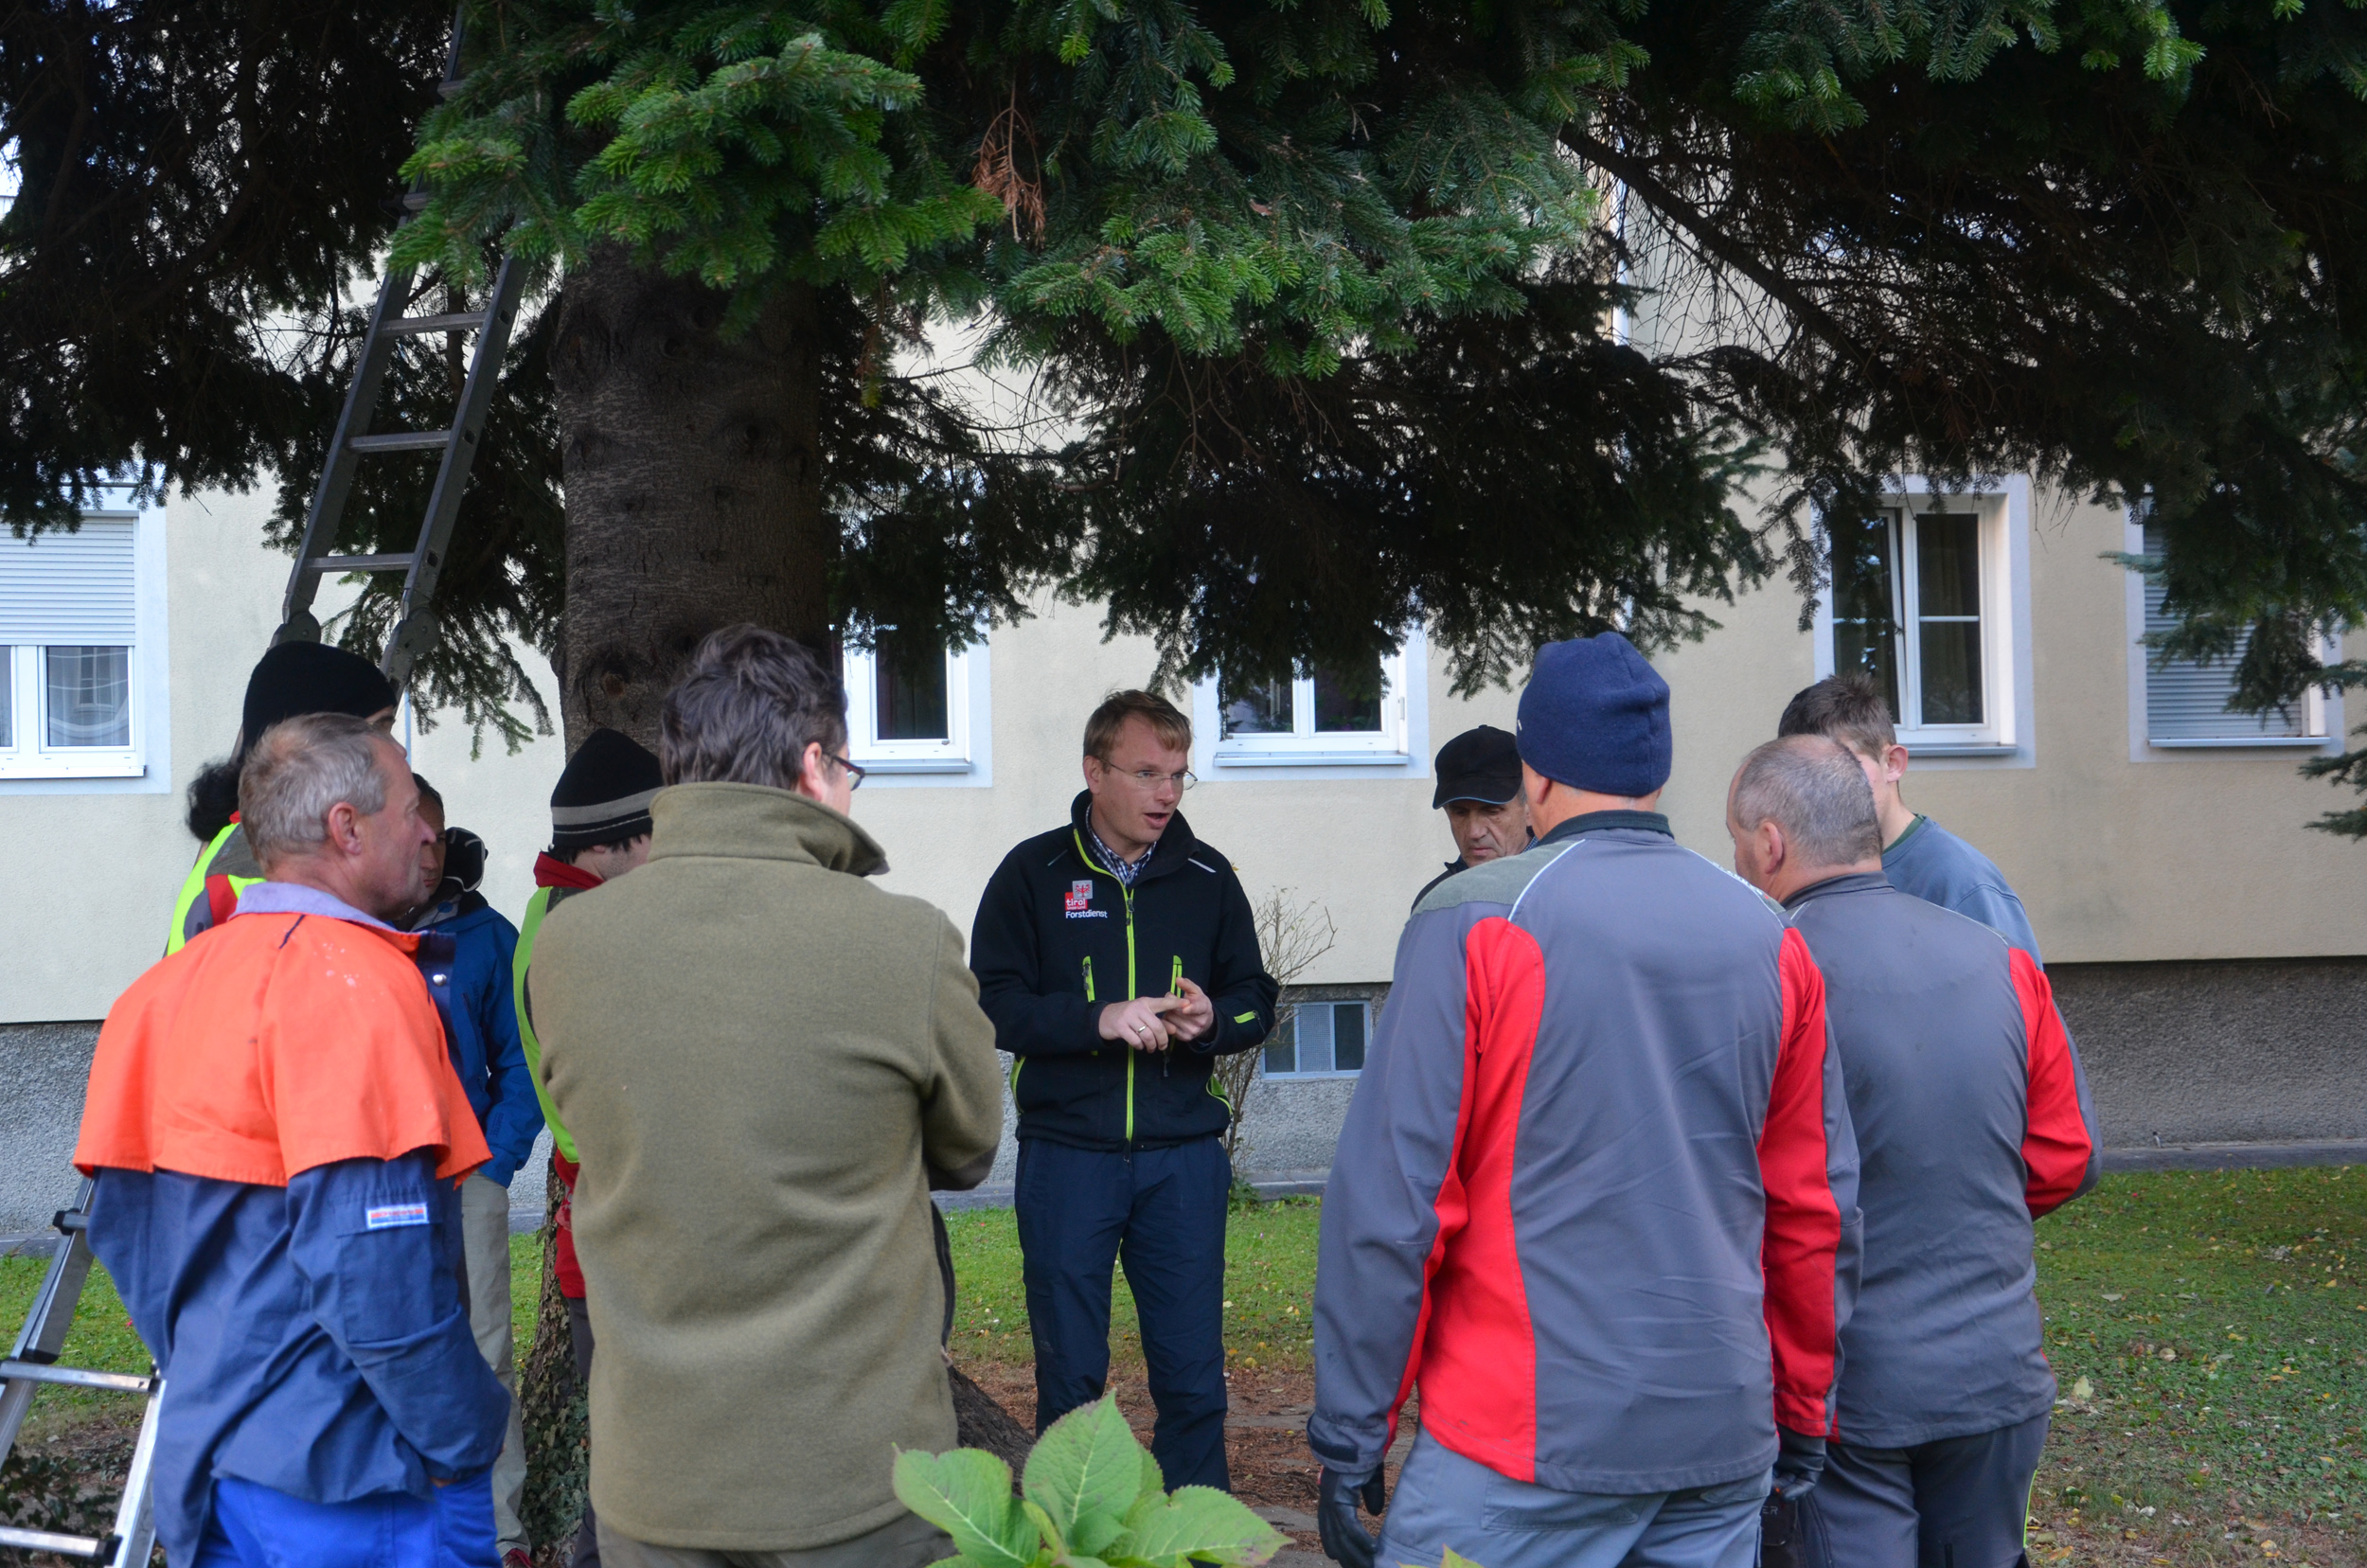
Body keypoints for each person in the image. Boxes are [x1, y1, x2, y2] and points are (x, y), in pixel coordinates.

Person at [1307, 633, 1856, 1568]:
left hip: (1522, 1441)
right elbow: (1812, 1206)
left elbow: (1394, 1202)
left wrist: (1351, 1429)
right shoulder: (1771, 935)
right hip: (1716, 1431)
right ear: (1657, 769)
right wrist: (1805, 1406)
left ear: (1535, 772)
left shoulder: (1474, 921)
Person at [525, 625, 1006, 1568]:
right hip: (857, 1483)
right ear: (813, 765)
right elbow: (970, 1147)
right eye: (849, 771)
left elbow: (590, 1123)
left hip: (652, 1482)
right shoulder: (904, 942)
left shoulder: (568, 946)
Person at [75, 712, 507, 1568]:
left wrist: (223, 1379)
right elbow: (378, 1284)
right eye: (411, 806)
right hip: (354, 1482)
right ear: (347, 829)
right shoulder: (360, 988)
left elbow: (128, 1239)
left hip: (218, 1468)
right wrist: (468, 1440)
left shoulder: (155, 996)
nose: (429, 831)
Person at [1726, 735, 2098, 1568]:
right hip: (1998, 1376)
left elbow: (1742, 1179)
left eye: (1738, 846)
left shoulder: (1766, 973)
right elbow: (2065, 1154)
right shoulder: (2002, 961)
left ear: (1771, 843)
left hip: (1850, 1392)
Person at [970, 689, 1279, 1491]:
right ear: (1094, 771)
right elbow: (993, 1000)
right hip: (1069, 1157)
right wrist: (1097, 1019)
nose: (1167, 793)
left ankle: (1196, 1538)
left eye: (1179, 774)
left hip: (1182, 1161)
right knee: (1070, 1380)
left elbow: (1256, 996)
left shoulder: (1208, 877)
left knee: (1191, 1378)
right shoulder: (1031, 873)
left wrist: (1215, 1017)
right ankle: (1073, 1535)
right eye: (1147, 773)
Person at [509, 724, 663, 1568]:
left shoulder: (554, 910)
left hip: (602, 1233)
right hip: (617, 1232)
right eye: (660, 841)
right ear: (617, 845)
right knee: (634, 1467)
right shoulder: (585, 937)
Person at [408, 775, 543, 1568]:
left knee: (486, 1350)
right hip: (377, 1181)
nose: (423, 854)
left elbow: (519, 1061)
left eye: (434, 836)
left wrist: (494, 1163)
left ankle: (503, 1534)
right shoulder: (357, 926)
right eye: (409, 834)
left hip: (469, 1182)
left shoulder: (485, 935)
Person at [1776, 673, 2042, 959]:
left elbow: (2022, 998)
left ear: (1892, 763)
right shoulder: (1804, 872)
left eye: (1843, 765)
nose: (1824, 786)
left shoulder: (1961, 882)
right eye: (1804, 773)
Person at [170, 639, 398, 953]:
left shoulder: (258, 841)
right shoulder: (261, 872)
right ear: (310, 744)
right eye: (379, 730)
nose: (397, 749)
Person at [1413, 723, 1531, 907]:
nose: (1474, 832)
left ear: (1530, 807)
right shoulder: (1436, 902)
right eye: (1460, 812)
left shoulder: (1567, 889)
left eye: (1491, 811)